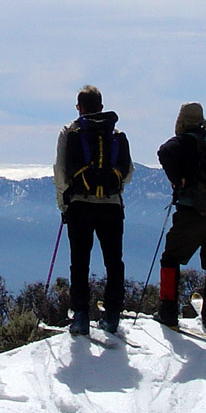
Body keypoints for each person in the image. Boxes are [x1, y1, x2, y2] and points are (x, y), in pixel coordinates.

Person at [53, 85, 133, 335]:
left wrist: (63, 204)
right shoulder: (117, 134)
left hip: (80, 205)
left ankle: (80, 317)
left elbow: (60, 171)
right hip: (111, 205)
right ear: (101, 106)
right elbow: (128, 171)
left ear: (79, 107)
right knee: (114, 261)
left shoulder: (70, 131)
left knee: (79, 262)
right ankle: (111, 316)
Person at [154, 102, 206, 339]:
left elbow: (163, 152)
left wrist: (178, 179)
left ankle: (168, 312)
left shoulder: (184, 141)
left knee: (171, 258)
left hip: (192, 212)